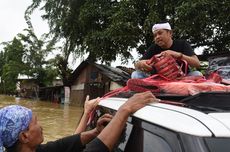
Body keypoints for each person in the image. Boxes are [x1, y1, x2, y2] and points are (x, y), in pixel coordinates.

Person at [0, 91, 157, 152]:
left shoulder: (32, 150)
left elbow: (63, 145)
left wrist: (95, 132)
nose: (41, 127)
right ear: (24, 137)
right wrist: (124, 110)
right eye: (35, 123)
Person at [132, 22, 202, 79]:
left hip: (182, 79)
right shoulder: (153, 48)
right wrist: (140, 64)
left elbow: (197, 64)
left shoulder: (182, 44)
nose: (157, 37)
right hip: (159, 80)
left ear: (170, 33)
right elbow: (137, 64)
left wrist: (177, 55)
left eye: (160, 33)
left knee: (197, 74)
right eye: (155, 35)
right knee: (136, 75)